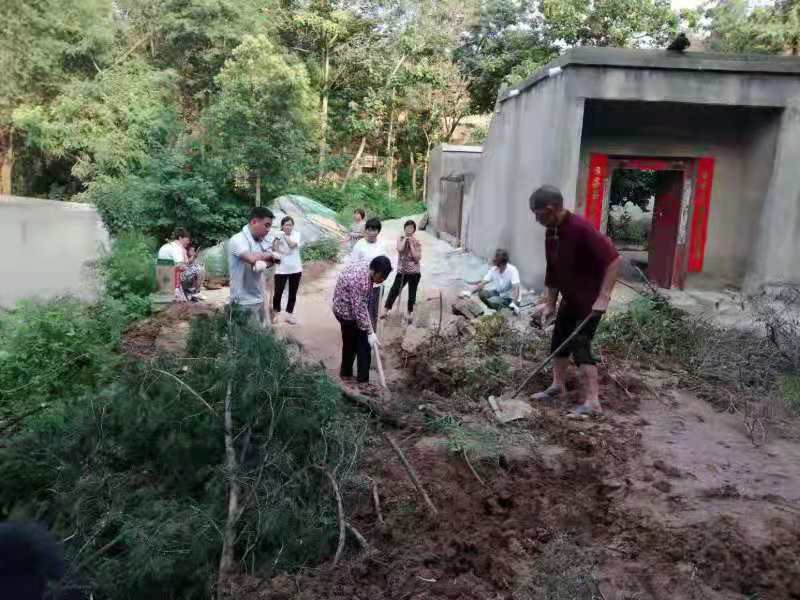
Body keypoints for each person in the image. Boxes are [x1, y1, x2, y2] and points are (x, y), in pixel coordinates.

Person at [529, 184, 621, 417]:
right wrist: (550, 303)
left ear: (551, 209)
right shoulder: (552, 231)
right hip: (569, 299)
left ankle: (593, 402)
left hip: (589, 302)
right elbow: (552, 270)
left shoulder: (581, 228)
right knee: (559, 341)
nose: (537, 220)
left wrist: (604, 297)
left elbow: (614, 261)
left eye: (538, 215)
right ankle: (557, 386)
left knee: (580, 345)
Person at [333, 256, 392, 385]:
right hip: (345, 312)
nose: (381, 281)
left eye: (384, 278)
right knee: (357, 344)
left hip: (351, 306)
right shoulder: (359, 281)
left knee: (358, 344)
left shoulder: (368, 266)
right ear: (374, 271)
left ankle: (357, 377)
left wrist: (368, 329)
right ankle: (353, 378)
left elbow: (362, 305)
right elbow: (358, 311)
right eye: (381, 277)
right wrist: (370, 332)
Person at [227, 206, 278, 327]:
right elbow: (251, 258)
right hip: (242, 301)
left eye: (270, 226)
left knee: (260, 338)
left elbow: (274, 260)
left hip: (259, 297)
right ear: (254, 222)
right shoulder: (237, 240)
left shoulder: (260, 241)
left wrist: (264, 262)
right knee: (245, 341)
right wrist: (268, 255)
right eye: (266, 225)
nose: (268, 230)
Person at [349, 217, 388, 329]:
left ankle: (372, 334)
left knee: (373, 311)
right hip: (361, 285)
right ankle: (360, 332)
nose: (371, 232)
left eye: (374, 230)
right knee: (361, 309)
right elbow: (353, 265)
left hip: (376, 286)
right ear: (365, 230)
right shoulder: (359, 245)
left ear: (378, 231)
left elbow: (385, 263)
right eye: (369, 229)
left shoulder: (382, 245)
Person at [383, 219, 422, 324]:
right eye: (407, 227)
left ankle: (410, 312)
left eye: (411, 228)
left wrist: (412, 245)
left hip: (414, 272)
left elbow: (417, 258)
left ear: (414, 230)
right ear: (404, 228)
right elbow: (400, 249)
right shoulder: (400, 239)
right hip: (402, 271)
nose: (409, 229)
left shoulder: (417, 242)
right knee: (394, 290)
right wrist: (405, 240)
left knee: (412, 294)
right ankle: (386, 310)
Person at [272, 216, 302, 324]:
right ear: (282, 226)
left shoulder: (296, 234)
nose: (288, 227)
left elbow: (292, 245)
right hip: (281, 269)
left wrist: (284, 236)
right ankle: (276, 314)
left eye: (290, 225)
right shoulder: (278, 235)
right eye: (285, 225)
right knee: (278, 293)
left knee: (292, 293)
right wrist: (277, 238)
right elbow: (274, 249)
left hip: (295, 268)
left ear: (293, 226)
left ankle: (289, 315)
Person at [157, 228, 192, 302]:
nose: (188, 242)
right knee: (197, 270)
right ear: (180, 238)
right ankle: (186, 293)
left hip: (161, 274)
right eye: (186, 240)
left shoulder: (167, 245)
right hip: (170, 275)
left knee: (183, 269)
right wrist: (187, 266)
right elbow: (180, 266)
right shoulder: (177, 248)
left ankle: (180, 292)